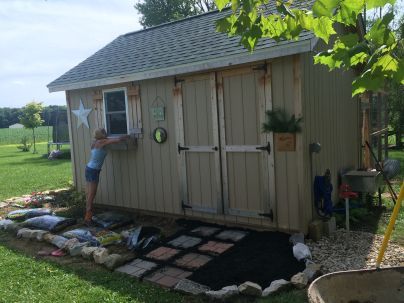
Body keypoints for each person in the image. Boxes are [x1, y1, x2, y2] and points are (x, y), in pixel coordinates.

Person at [84, 128, 129, 224]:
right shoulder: (102, 142)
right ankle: (88, 216)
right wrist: (126, 136)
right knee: (92, 193)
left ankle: (88, 212)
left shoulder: (95, 142)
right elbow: (117, 140)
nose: (106, 133)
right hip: (94, 170)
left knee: (89, 193)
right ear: (101, 134)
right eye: (104, 132)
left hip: (89, 168)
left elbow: (109, 140)